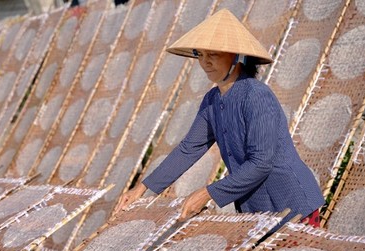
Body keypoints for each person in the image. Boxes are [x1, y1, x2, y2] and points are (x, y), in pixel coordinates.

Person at [115, 9, 324, 227]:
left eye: (213, 54)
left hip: (291, 202)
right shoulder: (212, 101)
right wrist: (142, 188)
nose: (205, 62)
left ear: (236, 56)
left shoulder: (256, 95)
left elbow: (261, 163)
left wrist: (208, 193)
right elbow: (189, 148)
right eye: (201, 55)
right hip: (255, 207)